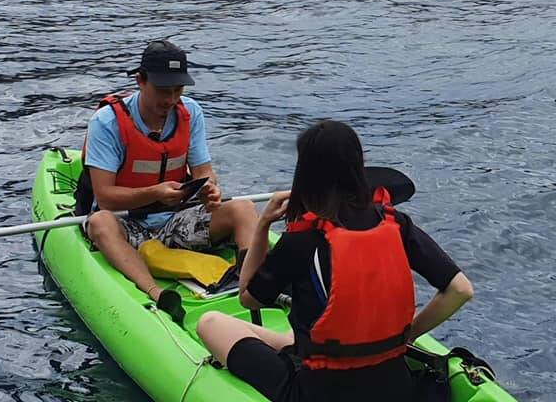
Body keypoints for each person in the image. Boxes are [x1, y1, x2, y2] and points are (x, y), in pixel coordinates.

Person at [197, 120, 474, 402]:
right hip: (395, 387)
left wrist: (264, 224)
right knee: (300, 341)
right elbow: (460, 289)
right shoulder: (396, 224)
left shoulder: (302, 239)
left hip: (315, 393)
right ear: (358, 166)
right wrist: (409, 335)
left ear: (305, 174)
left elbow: (248, 298)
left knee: (210, 323)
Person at [82, 40, 258, 318]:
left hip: (176, 219)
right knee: (99, 223)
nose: (171, 100)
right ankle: (156, 294)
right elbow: (104, 197)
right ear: (141, 80)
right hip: (127, 222)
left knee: (244, 208)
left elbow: (203, 171)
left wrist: (210, 188)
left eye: (178, 90)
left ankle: (251, 284)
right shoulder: (107, 123)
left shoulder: (191, 113)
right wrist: (155, 193)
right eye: (163, 90)